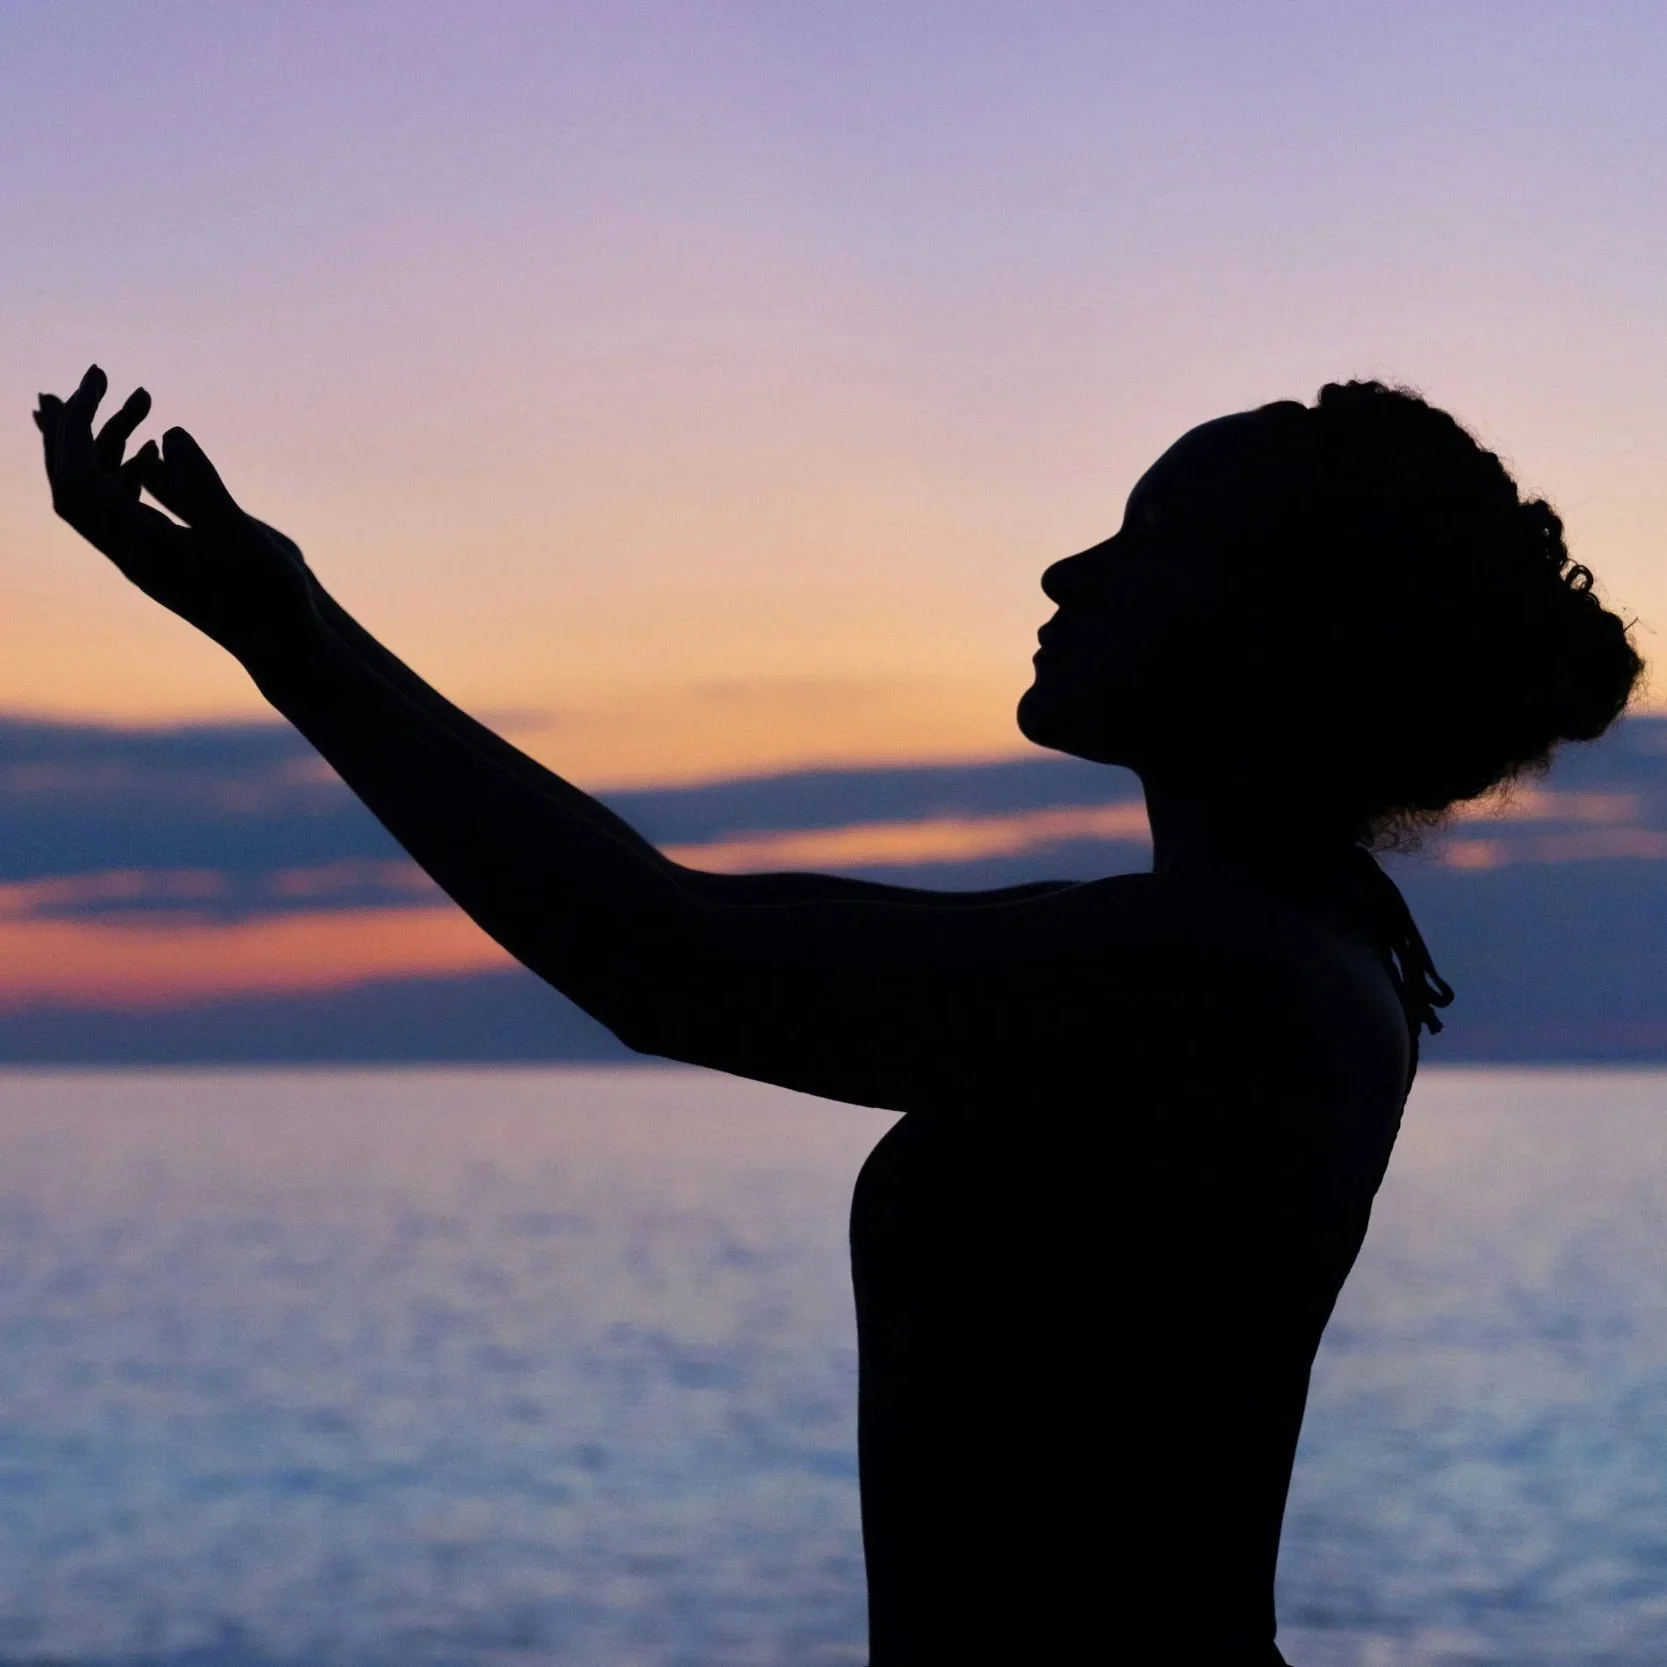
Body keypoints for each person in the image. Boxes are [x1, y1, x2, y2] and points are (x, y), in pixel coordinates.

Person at [35, 367, 1643, 1663]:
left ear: (1264, 625)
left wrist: (284, 635)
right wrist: (290, 626)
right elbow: (686, 915)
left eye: (1141, 542)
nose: (1065, 568)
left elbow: (656, 958)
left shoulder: (1212, 975)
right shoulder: (1271, 943)